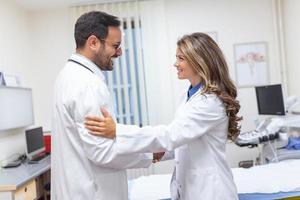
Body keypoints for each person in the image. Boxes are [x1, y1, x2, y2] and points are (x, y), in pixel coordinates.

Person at [85, 32, 242, 200]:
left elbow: (170, 135)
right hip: (192, 188)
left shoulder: (210, 102)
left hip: (212, 192)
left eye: (181, 58)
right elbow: (183, 140)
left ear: (199, 61)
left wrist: (117, 131)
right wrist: (157, 153)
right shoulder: (188, 95)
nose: (175, 64)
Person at [51, 11, 153, 200]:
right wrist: (151, 154)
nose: (120, 52)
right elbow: (102, 152)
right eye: (115, 46)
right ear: (93, 43)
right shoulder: (87, 84)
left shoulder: (68, 75)